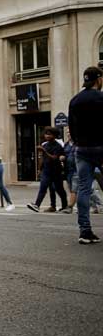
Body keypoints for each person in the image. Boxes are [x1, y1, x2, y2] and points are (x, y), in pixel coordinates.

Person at [68, 66, 103, 244]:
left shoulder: (75, 100)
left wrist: (78, 141)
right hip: (100, 146)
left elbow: (71, 127)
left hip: (81, 149)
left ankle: (85, 231)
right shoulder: (101, 98)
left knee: (83, 188)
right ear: (99, 79)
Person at [61, 128, 103, 215]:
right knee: (83, 190)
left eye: (70, 132)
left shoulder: (78, 144)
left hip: (80, 169)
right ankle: (94, 207)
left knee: (82, 189)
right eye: (67, 132)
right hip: (70, 170)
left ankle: (75, 208)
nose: (68, 134)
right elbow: (64, 154)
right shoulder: (66, 145)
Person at [26, 127, 68, 213]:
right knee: (43, 187)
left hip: (56, 171)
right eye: (46, 134)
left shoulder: (58, 146)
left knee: (59, 189)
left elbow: (55, 158)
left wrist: (44, 151)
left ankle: (64, 205)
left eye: (50, 134)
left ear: (54, 135)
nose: (47, 136)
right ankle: (37, 205)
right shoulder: (45, 145)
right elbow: (42, 158)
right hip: (46, 170)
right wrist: (39, 169)